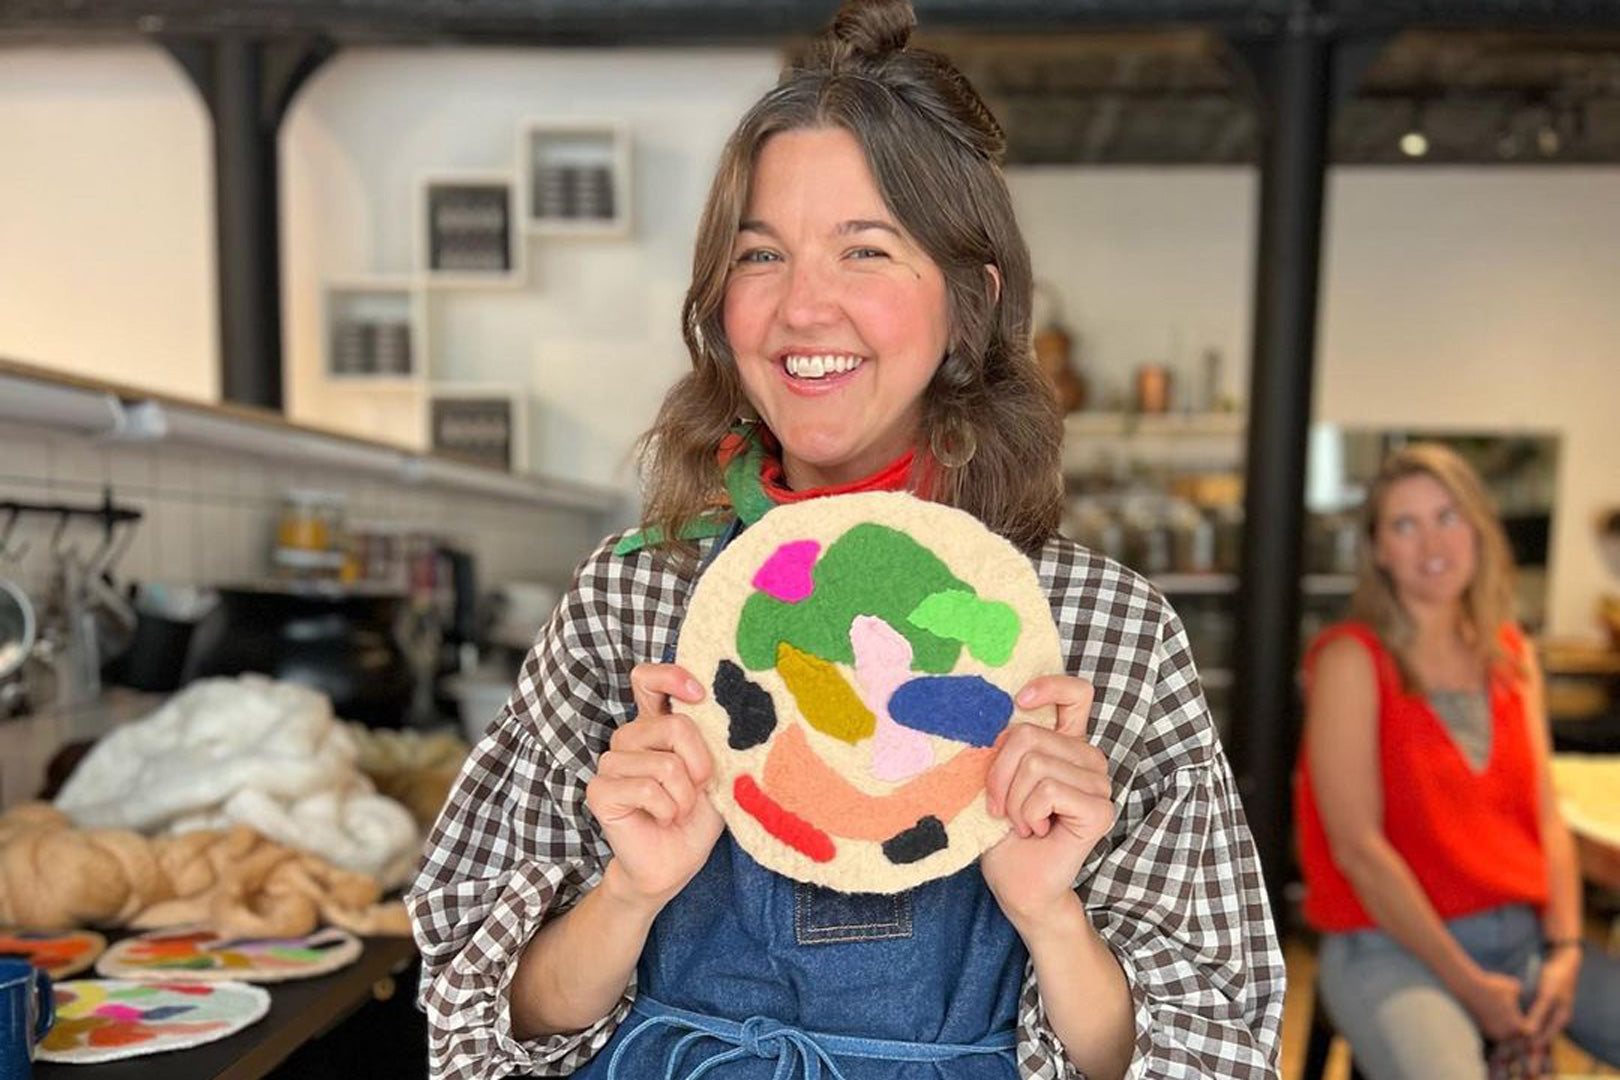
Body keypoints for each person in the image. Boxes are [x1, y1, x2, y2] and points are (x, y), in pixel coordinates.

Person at [407, 2, 1284, 1077]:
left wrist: (1051, 916)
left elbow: (1212, 1053)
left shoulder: (1100, 632)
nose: (801, 309)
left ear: (970, 301)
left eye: (864, 251)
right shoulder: (634, 604)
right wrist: (628, 892)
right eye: (760, 256)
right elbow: (490, 1025)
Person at [1295, 442, 1620, 1080]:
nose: (1431, 543)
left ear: (1477, 528)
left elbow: (1546, 815)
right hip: (1388, 946)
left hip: (1525, 938)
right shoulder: (1351, 660)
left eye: (1447, 516)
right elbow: (1359, 849)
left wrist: (1563, 952)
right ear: (1379, 551)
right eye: (1404, 525)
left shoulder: (1509, 651)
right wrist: (1469, 984)